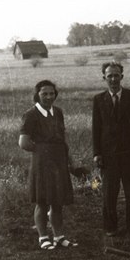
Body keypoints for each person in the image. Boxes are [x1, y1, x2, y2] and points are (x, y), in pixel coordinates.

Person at [19, 80, 78, 249]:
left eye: (51, 93)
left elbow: (63, 138)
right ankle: (43, 237)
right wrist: (43, 152)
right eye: (44, 93)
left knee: (58, 201)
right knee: (42, 201)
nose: (48, 97)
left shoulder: (58, 112)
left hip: (59, 161)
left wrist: (69, 160)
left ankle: (59, 236)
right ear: (37, 95)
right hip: (42, 163)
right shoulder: (30, 115)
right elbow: (23, 143)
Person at [92, 62, 130, 237]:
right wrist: (96, 153)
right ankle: (110, 228)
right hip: (108, 156)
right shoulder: (99, 100)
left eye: (116, 75)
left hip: (129, 153)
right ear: (104, 78)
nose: (113, 79)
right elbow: (96, 128)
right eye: (110, 76)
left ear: (122, 76)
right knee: (109, 193)